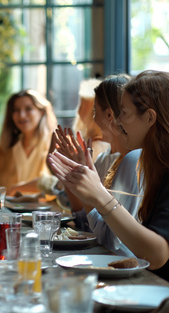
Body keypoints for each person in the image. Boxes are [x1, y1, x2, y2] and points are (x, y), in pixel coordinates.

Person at [48, 70, 169, 286]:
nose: (118, 121)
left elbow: (157, 255)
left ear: (150, 118)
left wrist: (100, 196)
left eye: (124, 112)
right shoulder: (160, 166)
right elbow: (128, 244)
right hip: (151, 287)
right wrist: (90, 190)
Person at [53, 74, 142, 256]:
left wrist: (83, 185)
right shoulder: (104, 160)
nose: (92, 119)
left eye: (95, 111)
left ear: (109, 115)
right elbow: (89, 226)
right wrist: (74, 177)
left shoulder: (133, 162)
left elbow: (113, 242)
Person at [0, 89, 57, 194]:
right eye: (16, 110)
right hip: (7, 210)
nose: (21, 115)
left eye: (28, 109)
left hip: (46, 210)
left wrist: (17, 188)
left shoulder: (56, 146)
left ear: (41, 112)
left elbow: (59, 185)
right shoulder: (4, 149)